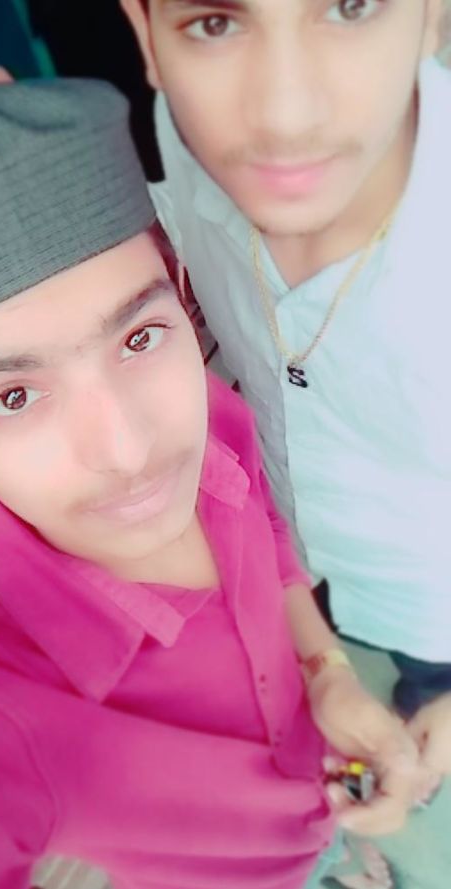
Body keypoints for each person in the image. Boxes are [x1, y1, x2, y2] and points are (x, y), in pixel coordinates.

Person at [0, 78, 424, 889]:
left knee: (335, 849)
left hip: (328, 778)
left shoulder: (207, 414)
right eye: (14, 395)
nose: (131, 447)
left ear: (180, 290)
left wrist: (328, 672)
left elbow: (267, 538)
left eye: (139, 336)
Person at [121, 0, 451, 761]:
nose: (283, 117)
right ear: (148, 37)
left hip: (432, 605)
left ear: (433, 14)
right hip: (296, 558)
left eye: (351, 7)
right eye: (215, 24)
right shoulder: (193, 135)